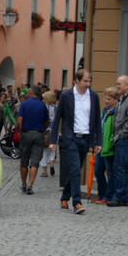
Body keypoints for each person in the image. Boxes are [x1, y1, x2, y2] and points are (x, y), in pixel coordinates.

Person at [49, 69, 101, 214]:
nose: (88, 84)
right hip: (71, 137)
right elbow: (58, 118)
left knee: (75, 171)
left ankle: (65, 197)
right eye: (85, 81)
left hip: (86, 138)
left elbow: (97, 120)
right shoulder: (67, 96)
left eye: (90, 81)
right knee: (75, 169)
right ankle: (77, 202)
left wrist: (98, 141)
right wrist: (53, 140)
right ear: (77, 80)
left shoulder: (93, 96)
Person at [107, 75, 128, 207]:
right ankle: (126, 197)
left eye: (119, 84)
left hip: (126, 138)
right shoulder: (122, 99)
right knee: (125, 167)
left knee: (119, 167)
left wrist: (121, 135)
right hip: (123, 137)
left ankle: (119, 196)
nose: (117, 86)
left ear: (127, 86)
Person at [16, 87, 50, 195]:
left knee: (24, 161)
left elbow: (19, 121)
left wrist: (21, 132)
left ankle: (23, 184)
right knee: (35, 162)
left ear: (31, 93)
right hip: (38, 134)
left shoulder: (24, 104)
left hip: (26, 134)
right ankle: (30, 186)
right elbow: (47, 122)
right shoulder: (42, 105)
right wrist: (42, 130)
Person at [92, 88, 117, 204]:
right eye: (105, 98)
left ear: (116, 100)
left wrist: (111, 143)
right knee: (98, 171)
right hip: (100, 146)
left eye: (109, 99)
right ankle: (102, 194)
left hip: (109, 147)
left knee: (110, 173)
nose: (106, 101)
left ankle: (109, 196)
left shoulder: (115, 113)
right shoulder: (104, 111)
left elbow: (114, 130)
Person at [39, 91, 58, 177]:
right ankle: (52, 164)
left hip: (46, 130)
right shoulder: (55, 108)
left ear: (47, 99)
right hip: (54, 131)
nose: (43, 100)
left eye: (44, 98)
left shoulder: (45, 108)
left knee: (44, 151)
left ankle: (45, 171)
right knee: (52, 149)